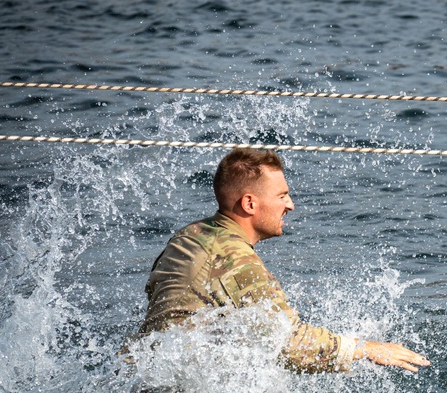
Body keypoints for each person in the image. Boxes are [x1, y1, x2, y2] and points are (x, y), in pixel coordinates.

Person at [141, 147, 430, 374]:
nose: (290, 205)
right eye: (282, 195)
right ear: (249, 203)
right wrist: (364, 349)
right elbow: (290, 344)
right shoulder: (237, 259)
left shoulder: (190, 235)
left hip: (145, 373)